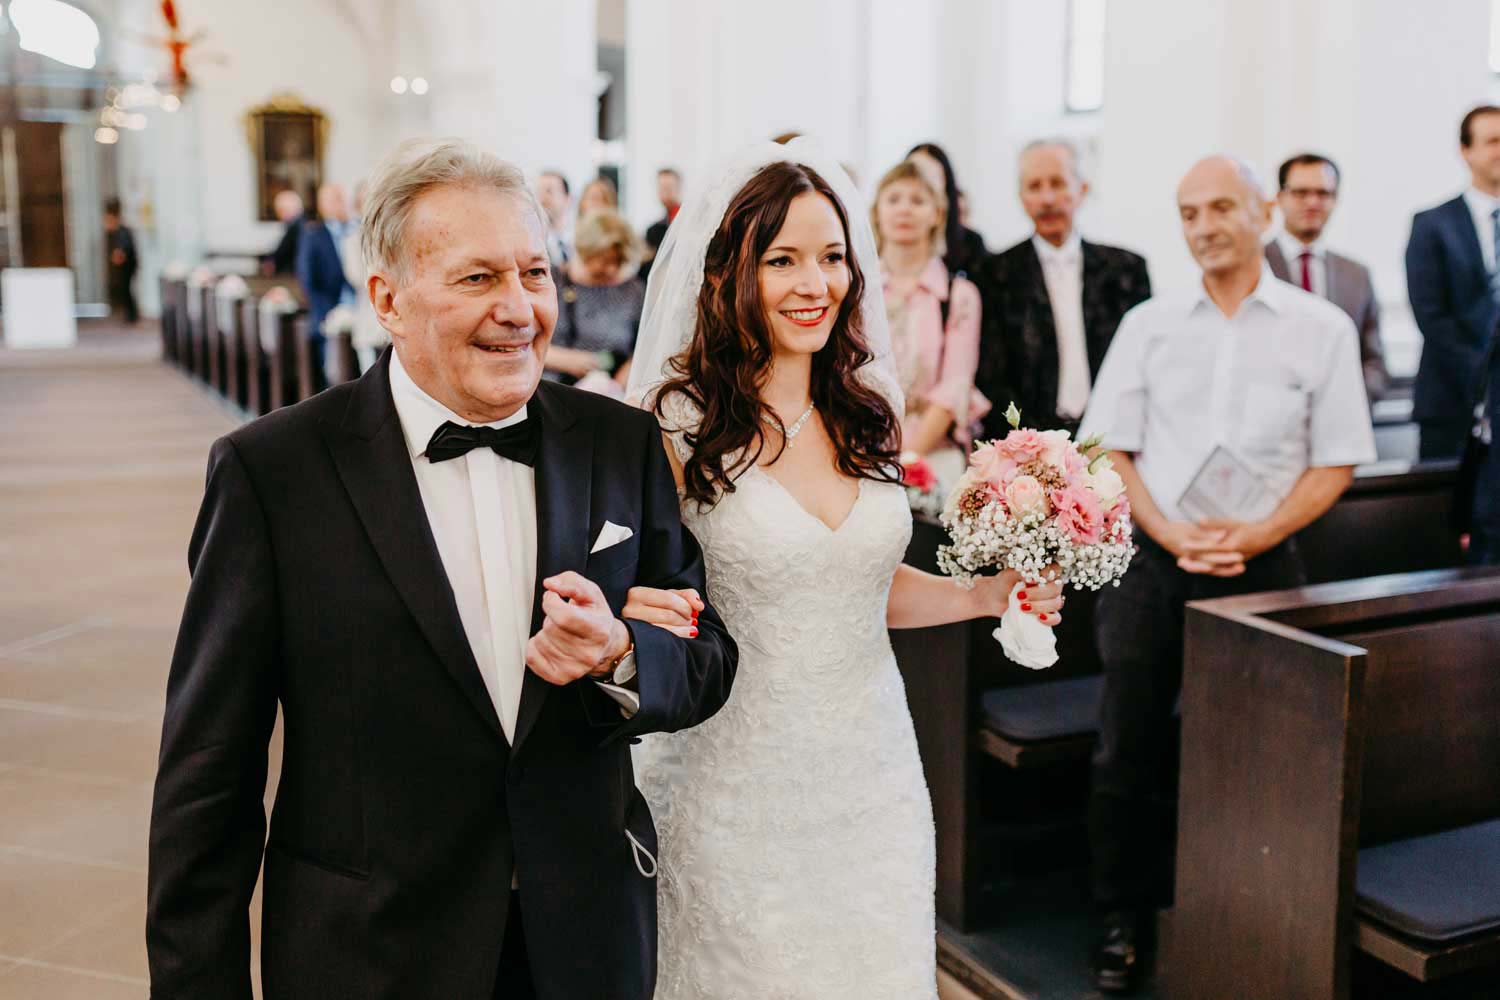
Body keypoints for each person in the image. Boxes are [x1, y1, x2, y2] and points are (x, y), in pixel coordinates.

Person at [145, 138, 739, 1000]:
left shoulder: (618, 443)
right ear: (388, 298)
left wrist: (621, 654)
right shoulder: (275, 474)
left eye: (535, 274)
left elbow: (709, 657)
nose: (520, 308)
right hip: (371, 951)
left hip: (584, 941)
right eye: (477, 278)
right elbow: (209, 772)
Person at [621, 140, 1066, 998]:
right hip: (732, 777)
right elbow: (650, 596)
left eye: (831, 258)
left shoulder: (870, 406)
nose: (813, 283)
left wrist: (983, 595)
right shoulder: (677, 420)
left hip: (872, 773)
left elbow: (854, 588)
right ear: (730, 273)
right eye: (782, 260)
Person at [1078, 156, 1376, 994]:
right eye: (1187, 212)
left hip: (1265, 561)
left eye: (1219, 207)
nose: (1203, 225)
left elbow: (1338, 460)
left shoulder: (1320, 327)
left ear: (1264, 211)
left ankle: (1237, 918)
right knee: (1125, 742)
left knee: (1257, 753)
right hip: (1150, 558)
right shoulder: (1149, 322)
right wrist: (1169, 531)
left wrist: (1256, 531)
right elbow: (1112, 446)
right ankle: (1117, 916)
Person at [978, 139, 1151, 438]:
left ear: (1082, 190)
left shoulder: (1127, 270)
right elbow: (991, 374)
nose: (1046, 198)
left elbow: (1141, 362)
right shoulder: (994, 273)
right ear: (1021, 197)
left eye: (1057, 183)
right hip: (1025, 442)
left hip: (1113, 436)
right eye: (1034, 186)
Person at [871, 158, 987, 485]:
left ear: (937, 213)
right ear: (877, 211)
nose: (904, 209)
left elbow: (954, 386)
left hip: (934, 454)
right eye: (894, 199)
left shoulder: (958, 295)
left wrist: (906, 459)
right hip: (862, 449)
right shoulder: (858, 288)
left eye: (918, 200)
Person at [1406, 105, 1500, 461]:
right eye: (1492, 141)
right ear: (1466, 151)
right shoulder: (1431, 225)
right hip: (1451, 402)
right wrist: (1489, 378)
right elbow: (1431, 316)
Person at [1268, 153, 1390, 404]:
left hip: (1343, 418)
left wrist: (1351, 401)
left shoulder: (1357, 275)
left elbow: (1374, 360)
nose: (1312, 202)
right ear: (1280, 198)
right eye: (1300, 193)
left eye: (1323, 193)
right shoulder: (1254, 265)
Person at [546, 208, 646, 393]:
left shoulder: (633, 290)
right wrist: (568, 360)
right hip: (553, 387)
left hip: (612, 392)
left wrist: (624, 378)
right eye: (604, 260)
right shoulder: (553, 282)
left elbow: (644, 346)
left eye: (617, 261)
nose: (611, 269)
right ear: (586, 252)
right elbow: (523, 344)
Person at [295, 182, 356, 386]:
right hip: (328, 314)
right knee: (335, 376)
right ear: (323, 206)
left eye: (342, 198)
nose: (340, 204)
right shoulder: (314, 235)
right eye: (334, 199)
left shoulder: (358, 230)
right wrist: (327, 314)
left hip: (361, 311)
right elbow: (308, 279)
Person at [907, 142, 989, 278]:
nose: (921, 184)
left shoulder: (971, 243)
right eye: (912, 173)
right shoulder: (885, 242)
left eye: (931, 177)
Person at [639, 167, 682, 282]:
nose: (664, 193)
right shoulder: (653, 230)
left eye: (668, 188)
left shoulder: (690, 224)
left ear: (678, 189)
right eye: (661, 188)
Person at [103, 198, 139, 325]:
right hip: (126, 266)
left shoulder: (122, 232)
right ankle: (130, 315)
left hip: (127, 266)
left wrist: (117, 256)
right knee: (126, 290)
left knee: (126, 290)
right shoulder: (119, 232)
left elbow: (123, 250)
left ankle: (131, 315)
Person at [536, 169, 573, 269]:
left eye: (549, 191)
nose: (542, 198)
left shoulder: (580, 242)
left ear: (568, 199)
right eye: (539, 191)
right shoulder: (532, 244)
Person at [263, 189, 306, 276]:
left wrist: (270, 261)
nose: (279, 215)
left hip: (293, 277)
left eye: (280, 210)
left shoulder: (296, 228)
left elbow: (282, 253)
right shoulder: (302, 225)